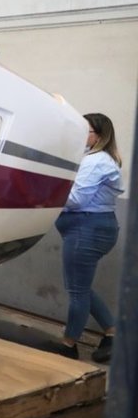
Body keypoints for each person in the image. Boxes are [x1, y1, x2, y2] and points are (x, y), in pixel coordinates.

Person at [54, 113, 124, 363]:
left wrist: (47, 190)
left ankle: (68, 344)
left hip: (86, 228)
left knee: (77, 291)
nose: (80, 135)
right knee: (80, 288)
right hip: (91, 227)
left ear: (99, 136)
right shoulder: (95, 158)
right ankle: (113, 332)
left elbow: (77, 199)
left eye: (85, 131)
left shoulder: (95, 161)